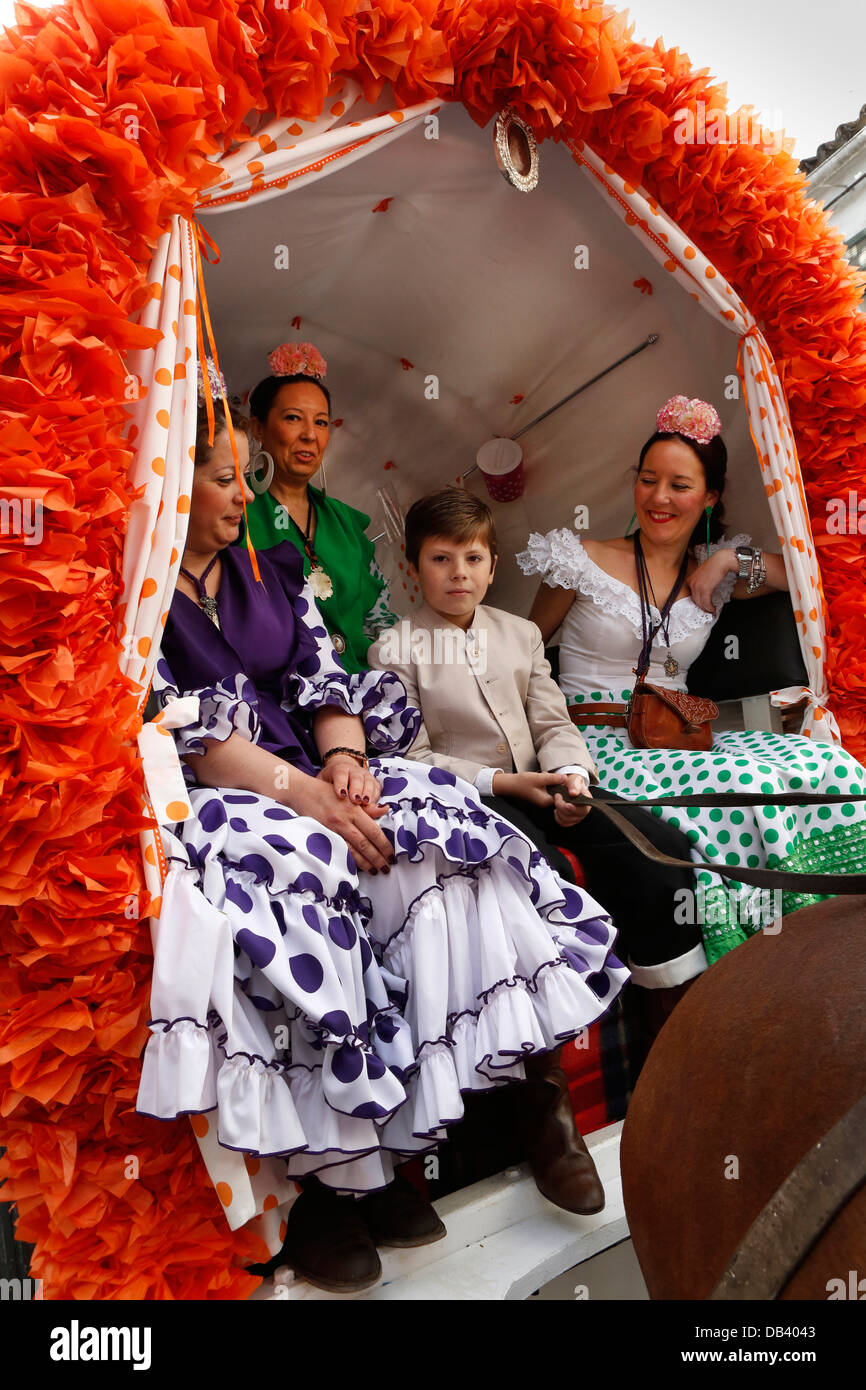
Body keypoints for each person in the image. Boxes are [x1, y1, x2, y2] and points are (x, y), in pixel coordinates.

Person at [141, 381, 629, 1294]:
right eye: (221, 479)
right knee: (310, 883)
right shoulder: (139, 599)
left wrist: (346, 763)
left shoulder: (268, 569)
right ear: (168, 482)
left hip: (314, 772)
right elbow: (191, 738)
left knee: (445, 833)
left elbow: (325, 676)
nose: (243, 495)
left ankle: (520, 1103)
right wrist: (305, 797)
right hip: (225, 793)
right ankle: (336, 1186)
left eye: (247, 477)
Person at [517, 394, 866, 967]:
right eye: (648, 479)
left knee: (825, 765)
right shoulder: (579, 558)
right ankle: (757, 959)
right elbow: (523, 651)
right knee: (745, 781)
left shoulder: (714, 569)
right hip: (595, 741)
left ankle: (830, 941)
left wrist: (727, 562)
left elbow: (810, 574)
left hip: (673, 734)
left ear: (709, 497)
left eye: (680, 485)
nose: (659, 497)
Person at [367, 487, 706, 1037]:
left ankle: (667, 1005)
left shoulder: (520, 634)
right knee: (539, 868)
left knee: (658, 846)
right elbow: (413, 756)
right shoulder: (395, 649)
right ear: (413, 568)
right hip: (471, 799)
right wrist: (503, 782)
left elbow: (552, 722)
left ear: (493, 565)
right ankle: (569, 1013)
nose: (459, 574)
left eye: (473, 558)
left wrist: (572, 777)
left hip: (548, 782)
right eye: (440, 559)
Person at [239, 341, 396, 673]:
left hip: (361, 683)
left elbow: (378, 616)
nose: (310, 435)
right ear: (258, 428)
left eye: (321, 422)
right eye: (293, 418)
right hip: (276, 692)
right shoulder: (234, 509)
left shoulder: (345, 521)